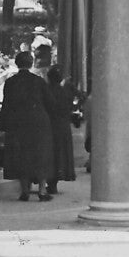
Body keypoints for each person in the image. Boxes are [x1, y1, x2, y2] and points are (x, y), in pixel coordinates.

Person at [0, 50, 55, 201]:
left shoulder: (10, 82)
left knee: (21, 155)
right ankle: (42, 191)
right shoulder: (39, 81)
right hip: (38, 122)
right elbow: (50, 103)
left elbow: (6, 106)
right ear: (31, 63)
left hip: (18, 123)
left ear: (16, 63)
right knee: (40, 155)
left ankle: (25, 191)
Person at [42, 57, 76, 196]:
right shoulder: (65, 92)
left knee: (50, 154)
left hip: (49, 126)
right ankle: (54, 183)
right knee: (61, 154)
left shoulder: (46, 91)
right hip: (63, 126)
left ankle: (49, 182)